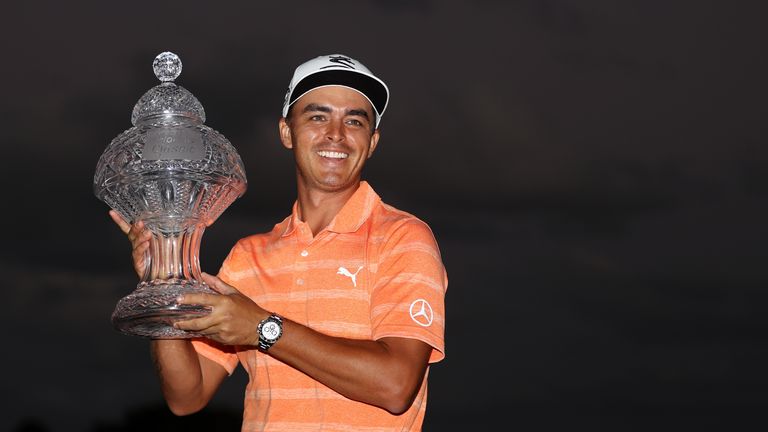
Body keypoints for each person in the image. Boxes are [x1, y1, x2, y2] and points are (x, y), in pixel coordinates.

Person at [110, 53, 447, 431]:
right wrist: (164, 283)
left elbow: (395, 385)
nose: (336, 133)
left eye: (354, 120)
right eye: (318, 117)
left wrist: (263, 328)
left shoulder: (403, 237)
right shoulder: (248, 256)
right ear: (287, 132)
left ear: (372, 142)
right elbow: (187, 397)